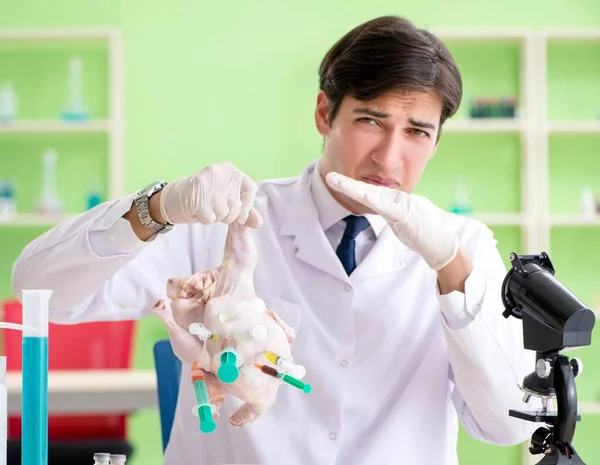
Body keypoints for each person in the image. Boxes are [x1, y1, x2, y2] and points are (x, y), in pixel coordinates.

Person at [12, 15, 538, 465]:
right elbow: (41, 290)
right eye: (370, 121)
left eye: (417, 132)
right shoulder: (225, 219)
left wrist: (450, 269)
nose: (389, 156)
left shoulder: (461, 247)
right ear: (323, 114)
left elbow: (506, 426)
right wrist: (158, 206)